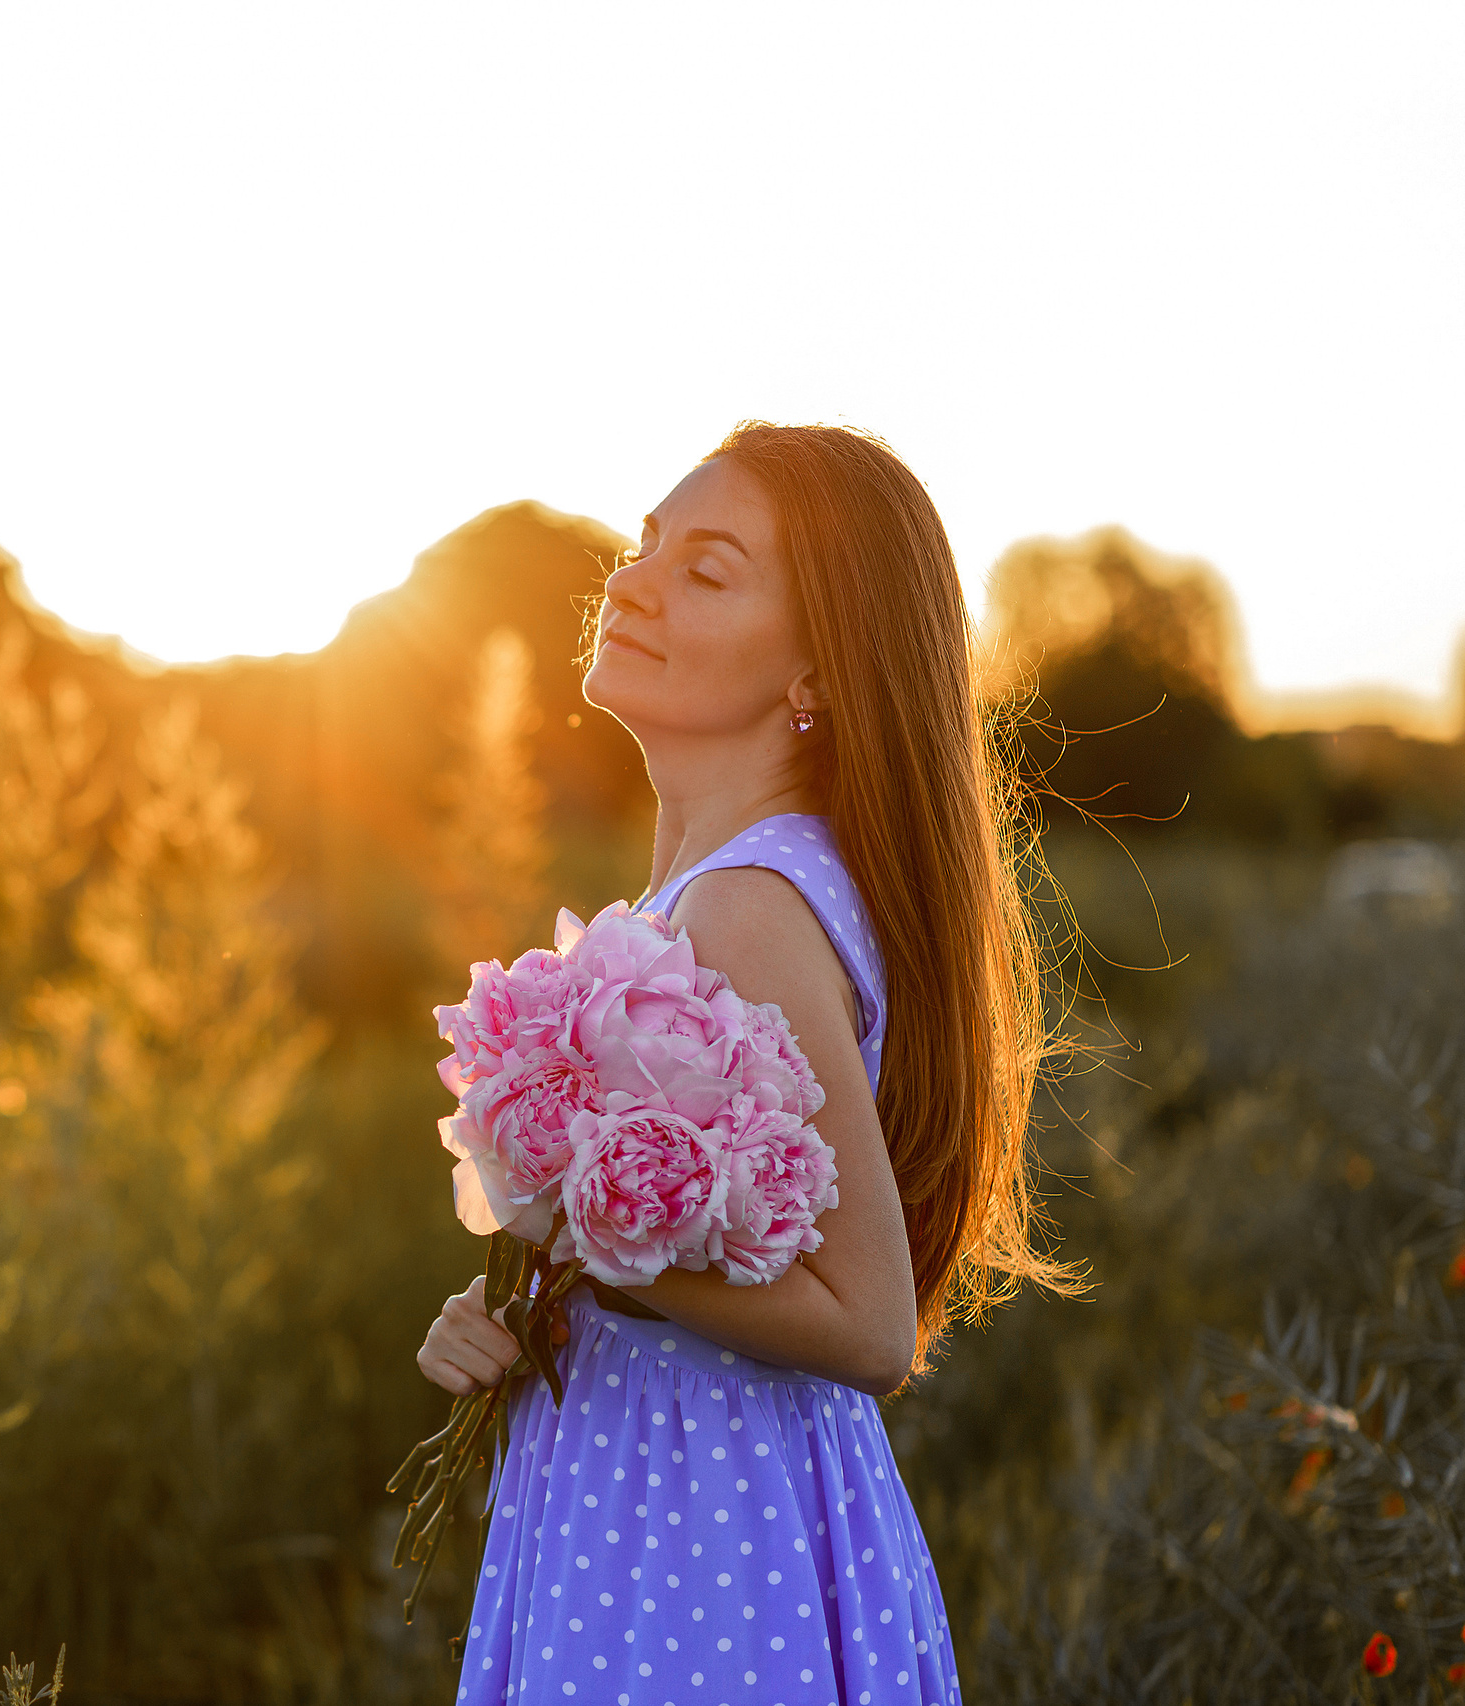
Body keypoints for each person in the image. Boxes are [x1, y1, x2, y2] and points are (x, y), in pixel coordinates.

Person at [417, 422, 1077, 1706]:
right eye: (644, 545)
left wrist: (586, 1233)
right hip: (665, 1485)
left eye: (706, 570)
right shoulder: (702, 892)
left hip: (696, 1517)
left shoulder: (748, 907)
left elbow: (870, 1321)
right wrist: (532, 1296)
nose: (632, 582)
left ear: (818, 666)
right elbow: (716, 1257)